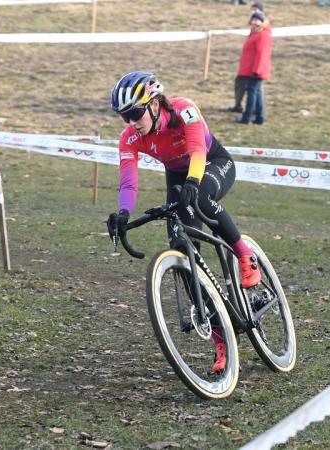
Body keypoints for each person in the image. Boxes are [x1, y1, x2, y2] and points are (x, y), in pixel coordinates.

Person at [109, 71, 262, 373]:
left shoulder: (183, 110)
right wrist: (123, 214)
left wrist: (194, 180)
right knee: (180, 246)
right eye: (124, 116)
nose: (131, 122)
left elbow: (197, 150)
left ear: (154, 104)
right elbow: (129, 183)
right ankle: (222, 339)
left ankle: (245, 254)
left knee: (203, 199)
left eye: (135, 113)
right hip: (178, 176)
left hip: (212, 162)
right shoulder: (130, 138)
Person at [228, 2, 269, 113]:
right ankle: (240, 106)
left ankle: (252, 114)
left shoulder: (262, 33)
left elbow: (261, 53)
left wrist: (257, 70)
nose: (253, 13)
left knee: (254, 91)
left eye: (255, 10)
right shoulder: (254, 30)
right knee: (242, 86)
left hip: (253, 68)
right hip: (246, 66)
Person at [236, 11, 272, 124]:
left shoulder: (263, 35)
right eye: (253, 19)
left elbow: (262, 54)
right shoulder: (254, 33)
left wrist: (257, 70)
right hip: (251, 69)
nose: (254, 21)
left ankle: (246, 118)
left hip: (256, 70)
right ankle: (260, 118)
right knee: (257, 94)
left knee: (252, 94)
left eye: (257, 20)